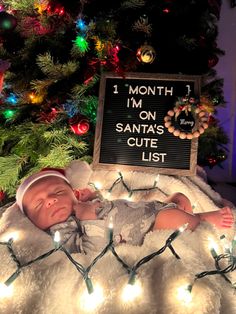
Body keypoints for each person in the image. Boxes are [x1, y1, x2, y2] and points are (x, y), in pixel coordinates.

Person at [16, 170, 234, 254]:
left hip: (148, 209)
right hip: (147, 226)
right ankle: (200, 220)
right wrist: (87, 215)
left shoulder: (79, 204)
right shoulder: (63, 231)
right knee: (175, 218)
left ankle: (182, 212)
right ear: (32, 221)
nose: (51, 200)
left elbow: (101, 203)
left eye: (58, 192)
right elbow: (92, 251)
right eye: (39, 204)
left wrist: (89, 197)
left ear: (73, 193)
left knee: (180, 197)